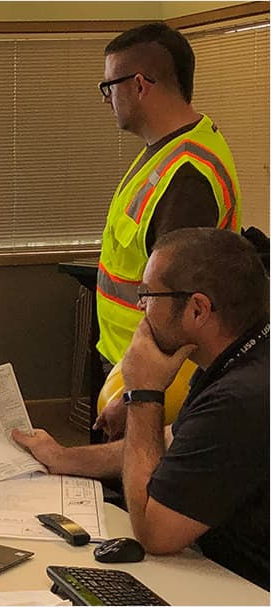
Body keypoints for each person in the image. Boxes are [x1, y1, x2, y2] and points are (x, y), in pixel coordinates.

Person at [15, 228, 268, 590]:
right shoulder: (241, 357)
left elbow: (156, 533)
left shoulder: (239, 398)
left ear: (197, 309)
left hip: (245, 587)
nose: (140, 306)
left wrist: (144, 393)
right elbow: (177, 443)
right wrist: (64, 458)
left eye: (148, 294)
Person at [93, 22, 241, 439]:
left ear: (139, 85)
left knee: (137, 494)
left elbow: (175, 307)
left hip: (153, 380)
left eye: (109, 87)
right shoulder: (164, 150)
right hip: (128, 365)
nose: (108, 99)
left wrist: (135, 398)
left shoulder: (188, 174)